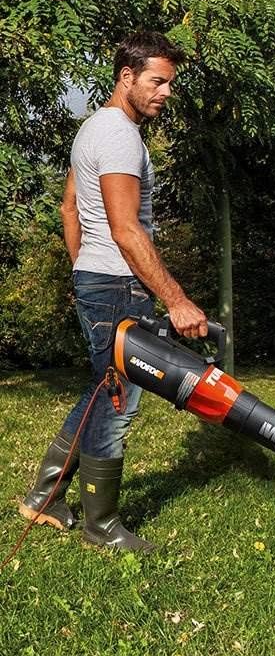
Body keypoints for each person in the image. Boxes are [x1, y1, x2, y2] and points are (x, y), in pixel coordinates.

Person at [18, 32, 208, 552]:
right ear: (127, 76)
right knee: (120, 401)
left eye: (170, 83)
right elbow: (127, 230)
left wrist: (84, 268)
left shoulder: (91, 130)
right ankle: (101, 525)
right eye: (157, 81)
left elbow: (69, 208)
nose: (166, 92)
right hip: (120, 286)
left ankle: (43, 496)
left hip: (99, 280)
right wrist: (176, 299)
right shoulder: (121, 135)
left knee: (105, 388)